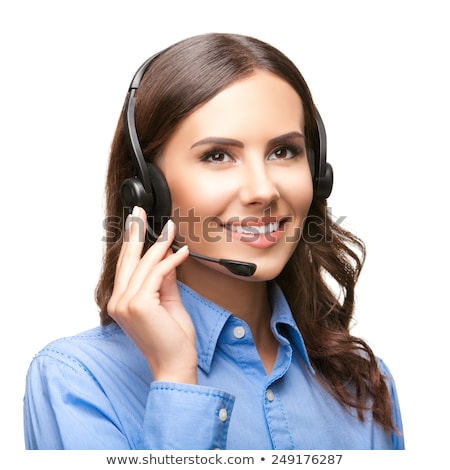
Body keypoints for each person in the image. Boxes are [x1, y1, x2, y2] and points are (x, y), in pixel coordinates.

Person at [23, 32, 404, 450]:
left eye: (283, 152)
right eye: (218, 155)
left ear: (318, 176)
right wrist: (175, 378)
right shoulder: (75, 379)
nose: (262, 190)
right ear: (148, 190)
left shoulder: (362, 385)